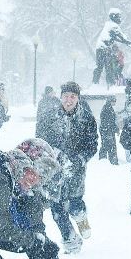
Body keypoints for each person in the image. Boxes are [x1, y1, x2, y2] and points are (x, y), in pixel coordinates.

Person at [36, 81, 97, 250]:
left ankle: (81, 219)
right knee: (57, 209)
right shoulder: (48, 118)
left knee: (75, 205)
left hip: (76, 171)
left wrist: (80, 159)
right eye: (65, 96)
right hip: (53, 171)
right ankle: (70, 240)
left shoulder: (87, 119)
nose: (68, 100)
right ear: (60, 97)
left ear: (78, 98)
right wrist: (53, 155)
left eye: (73, 96)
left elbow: (92, 145)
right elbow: (39, 143)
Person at [93, 9, 131, 86]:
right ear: (113, 17)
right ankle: (110, 84)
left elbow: (117, 39)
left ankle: (95, 83)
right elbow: (123, 38)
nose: (120, 19)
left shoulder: (108, 25)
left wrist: (128, 43)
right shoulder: (114, 26)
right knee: (109, 67)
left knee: (101, 67)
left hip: (100, 48)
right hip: (105, 49)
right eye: (119, 17)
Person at [97, 95, 120, 165]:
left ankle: (103, 161)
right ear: (111, 101)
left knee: (105, 145)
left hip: (106, 130)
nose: (115, 102)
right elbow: (110, 122)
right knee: (111, 147)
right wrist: (116, 129)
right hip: (107, 131)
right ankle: (113, 162)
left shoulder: (107, 108)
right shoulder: (108, 109)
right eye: (114, 101)